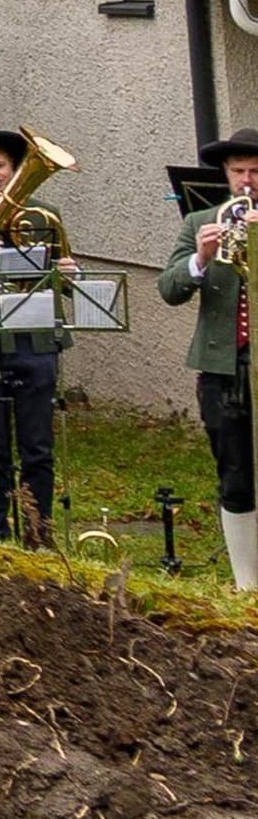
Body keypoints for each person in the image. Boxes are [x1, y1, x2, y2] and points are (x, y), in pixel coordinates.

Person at [0, 127, 75, 546]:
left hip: (35, 340)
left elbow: (63, 284)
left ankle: (40, 533)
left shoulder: (43, 213)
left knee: (38, 445)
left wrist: (67, 273)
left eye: (0, 165)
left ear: (14, 167)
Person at [158, 129, 258, 591]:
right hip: (223, 368)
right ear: (225, 174)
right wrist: (201, 257)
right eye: (238, 171)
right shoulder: (202, 220)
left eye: (255, 172)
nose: (247, 181)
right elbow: (169, 289)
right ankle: (247, 584)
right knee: (234, 473)